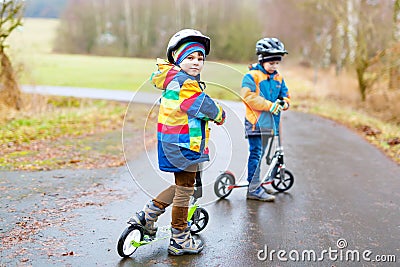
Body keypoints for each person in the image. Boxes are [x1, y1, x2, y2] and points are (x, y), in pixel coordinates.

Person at [129, 29, 226, 255]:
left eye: (200, 58)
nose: (196, 63)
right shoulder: (185, 83)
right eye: (190, 57)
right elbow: (205, 107)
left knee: (182, 185)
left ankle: (147, 216)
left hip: (171, 142)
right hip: (184, 144)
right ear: (177, 58)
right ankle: (180, 237)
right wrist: (221, 114)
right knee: (185, 190)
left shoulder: (173, 79)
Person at [240, 37, 291, 202]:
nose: (274, 66)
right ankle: (253, 188)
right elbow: (247, 97)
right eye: (271, 63)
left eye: (277, 63)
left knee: (262, 155)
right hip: (256, 123)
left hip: (270, 124)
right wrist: (269, 105)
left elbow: (286, 96)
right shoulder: (252, 76)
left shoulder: (279, 79)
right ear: (262, 60)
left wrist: (284, 103)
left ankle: (256, 183)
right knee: (256, 153)